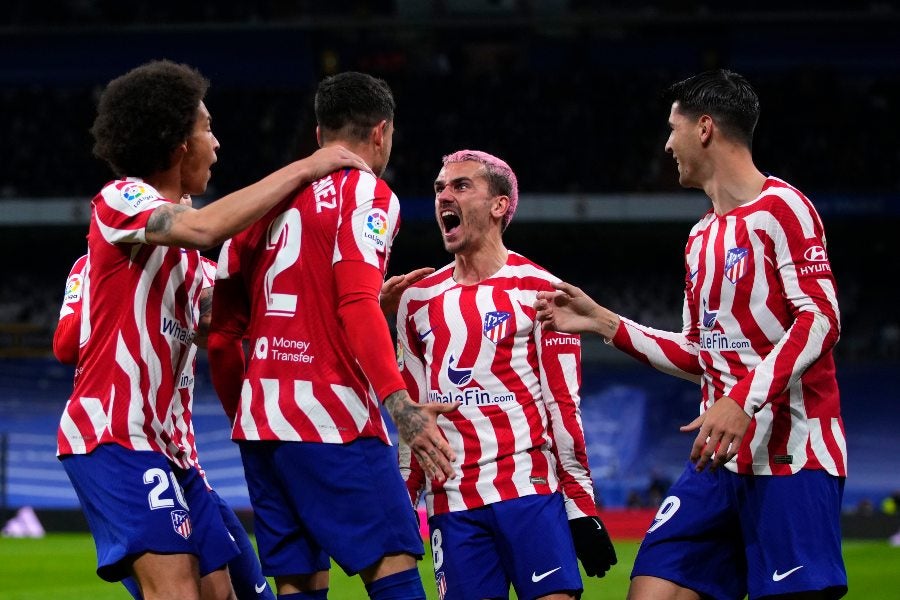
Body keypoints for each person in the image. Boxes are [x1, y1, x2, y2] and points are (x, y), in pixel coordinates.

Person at [56, 59, 369, 600]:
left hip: (174, 452)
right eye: (206, 127)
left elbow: (236, 318)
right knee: (178, 591)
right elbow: (202, 228)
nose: (216, 143)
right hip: (114, 437)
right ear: (178, 143)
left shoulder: (193, 267)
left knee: (229, 593)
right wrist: (303, 168)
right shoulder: (122, 201)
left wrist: (359, 297)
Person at [534, 69, 847, 600]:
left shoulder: (784, 209)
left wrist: (742, 400)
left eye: (672, 128)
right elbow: (701, 354)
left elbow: (821, 318)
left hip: (793, 457)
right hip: (716, 463)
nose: (666, 143)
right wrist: (604, 322)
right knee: (652, 589)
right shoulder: (700, 237)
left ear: (704, 128)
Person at [206, 71, 457, 600]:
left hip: (261, 426)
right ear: (381, 133)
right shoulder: (366, 192)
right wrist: (400, 404)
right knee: (393, 562)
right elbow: (355, 301)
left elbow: (224, 337)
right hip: (331, 417)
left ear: (319, 136)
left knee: (298, 580)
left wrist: (250, 417)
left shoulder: (258, 204)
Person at [395, 150, 617, 600]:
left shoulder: (541, 291)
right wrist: (403, 500)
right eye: (439, 188)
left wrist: (581, 506)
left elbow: (563, 406)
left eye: (460, 186)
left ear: (499, 205)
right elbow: (413, 420)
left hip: (529, 493)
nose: (443, 196)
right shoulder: (415, 301)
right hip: (452, 503)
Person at [54, 212, 275, 600]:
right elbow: (65, 345)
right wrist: (120, 295)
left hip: (180, 454)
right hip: (127, 442)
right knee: (183, 587)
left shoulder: (201, 271)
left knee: (237, 590)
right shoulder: (92, 264)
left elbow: (248, 323)